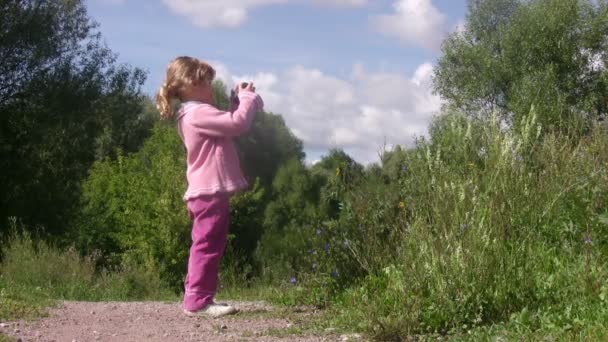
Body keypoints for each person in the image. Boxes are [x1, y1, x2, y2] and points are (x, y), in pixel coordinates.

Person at [155, 56, 263, 317]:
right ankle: (197, 302)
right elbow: (237, 124)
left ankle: (198, 296)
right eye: (207, 83)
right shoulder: (197, 113)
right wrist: (247, 101)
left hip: (206, 191)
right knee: (207, 245)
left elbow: (225, 124)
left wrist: (235, 103)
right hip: (209, 192)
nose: (211, 88)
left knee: (206, 243)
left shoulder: (192, 114)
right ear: (192, 84)